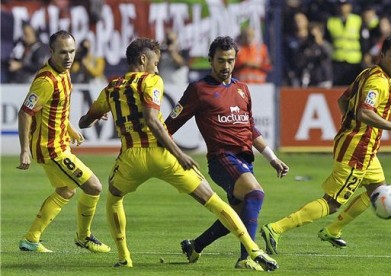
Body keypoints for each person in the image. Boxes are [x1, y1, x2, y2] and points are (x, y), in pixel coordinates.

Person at [78, 37, 278, 271]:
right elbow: (153, 121)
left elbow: (84, 121)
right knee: (214, 201)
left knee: (113, 199)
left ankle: (124, 258)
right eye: (155, 61)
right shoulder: (152, 80)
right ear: (143, 60)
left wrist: (96, 117)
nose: (157, 67)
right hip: (162, 154)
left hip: (130, 158)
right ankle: (252, 250)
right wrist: (180, 154)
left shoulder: (110, 89)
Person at [261, 34, 391, 254]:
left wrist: (349, 125)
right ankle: (275, 229)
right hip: (357, 151)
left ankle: (333, 231)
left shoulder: (368, 73)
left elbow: (342, 100)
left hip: (365, 150)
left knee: (378, 190)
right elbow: (364, 112)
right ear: (382, 56)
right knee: (332, 203)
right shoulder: (377, 82)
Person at [164, 36, 289, 271]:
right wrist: (174, 154)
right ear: (210, 60)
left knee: (238, 212)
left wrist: (272, 158)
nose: (226, 66)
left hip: (244, 159)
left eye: (230, 60)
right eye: (221, 61)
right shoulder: (199, 90)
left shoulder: (242, 89)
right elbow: (168, 126)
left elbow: (249, 127)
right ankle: (248, 257)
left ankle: (195, 246)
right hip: (221, 158)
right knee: (255, 193)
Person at [17, 30, 111, 254]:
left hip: (59, 143)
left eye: (71, 51)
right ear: (51, 52)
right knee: (94, 186)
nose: (68, 57)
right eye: (62, 52)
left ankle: (31, 239)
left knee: (66, 190)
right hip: (51, 149)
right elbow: (25, 113)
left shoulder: (65, 72)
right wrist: (24, 151)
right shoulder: (46, 81)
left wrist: (70, 130)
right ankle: (84, 236)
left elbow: (54, 110)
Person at [325, 0, 364, 85]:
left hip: (354, 61)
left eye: (345, 5)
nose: (343, 8)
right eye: (341, 5)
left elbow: (363, 41)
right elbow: (327, 40)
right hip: (338, 60)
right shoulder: (331, 22)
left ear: (350, 6)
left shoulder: (357, 20)